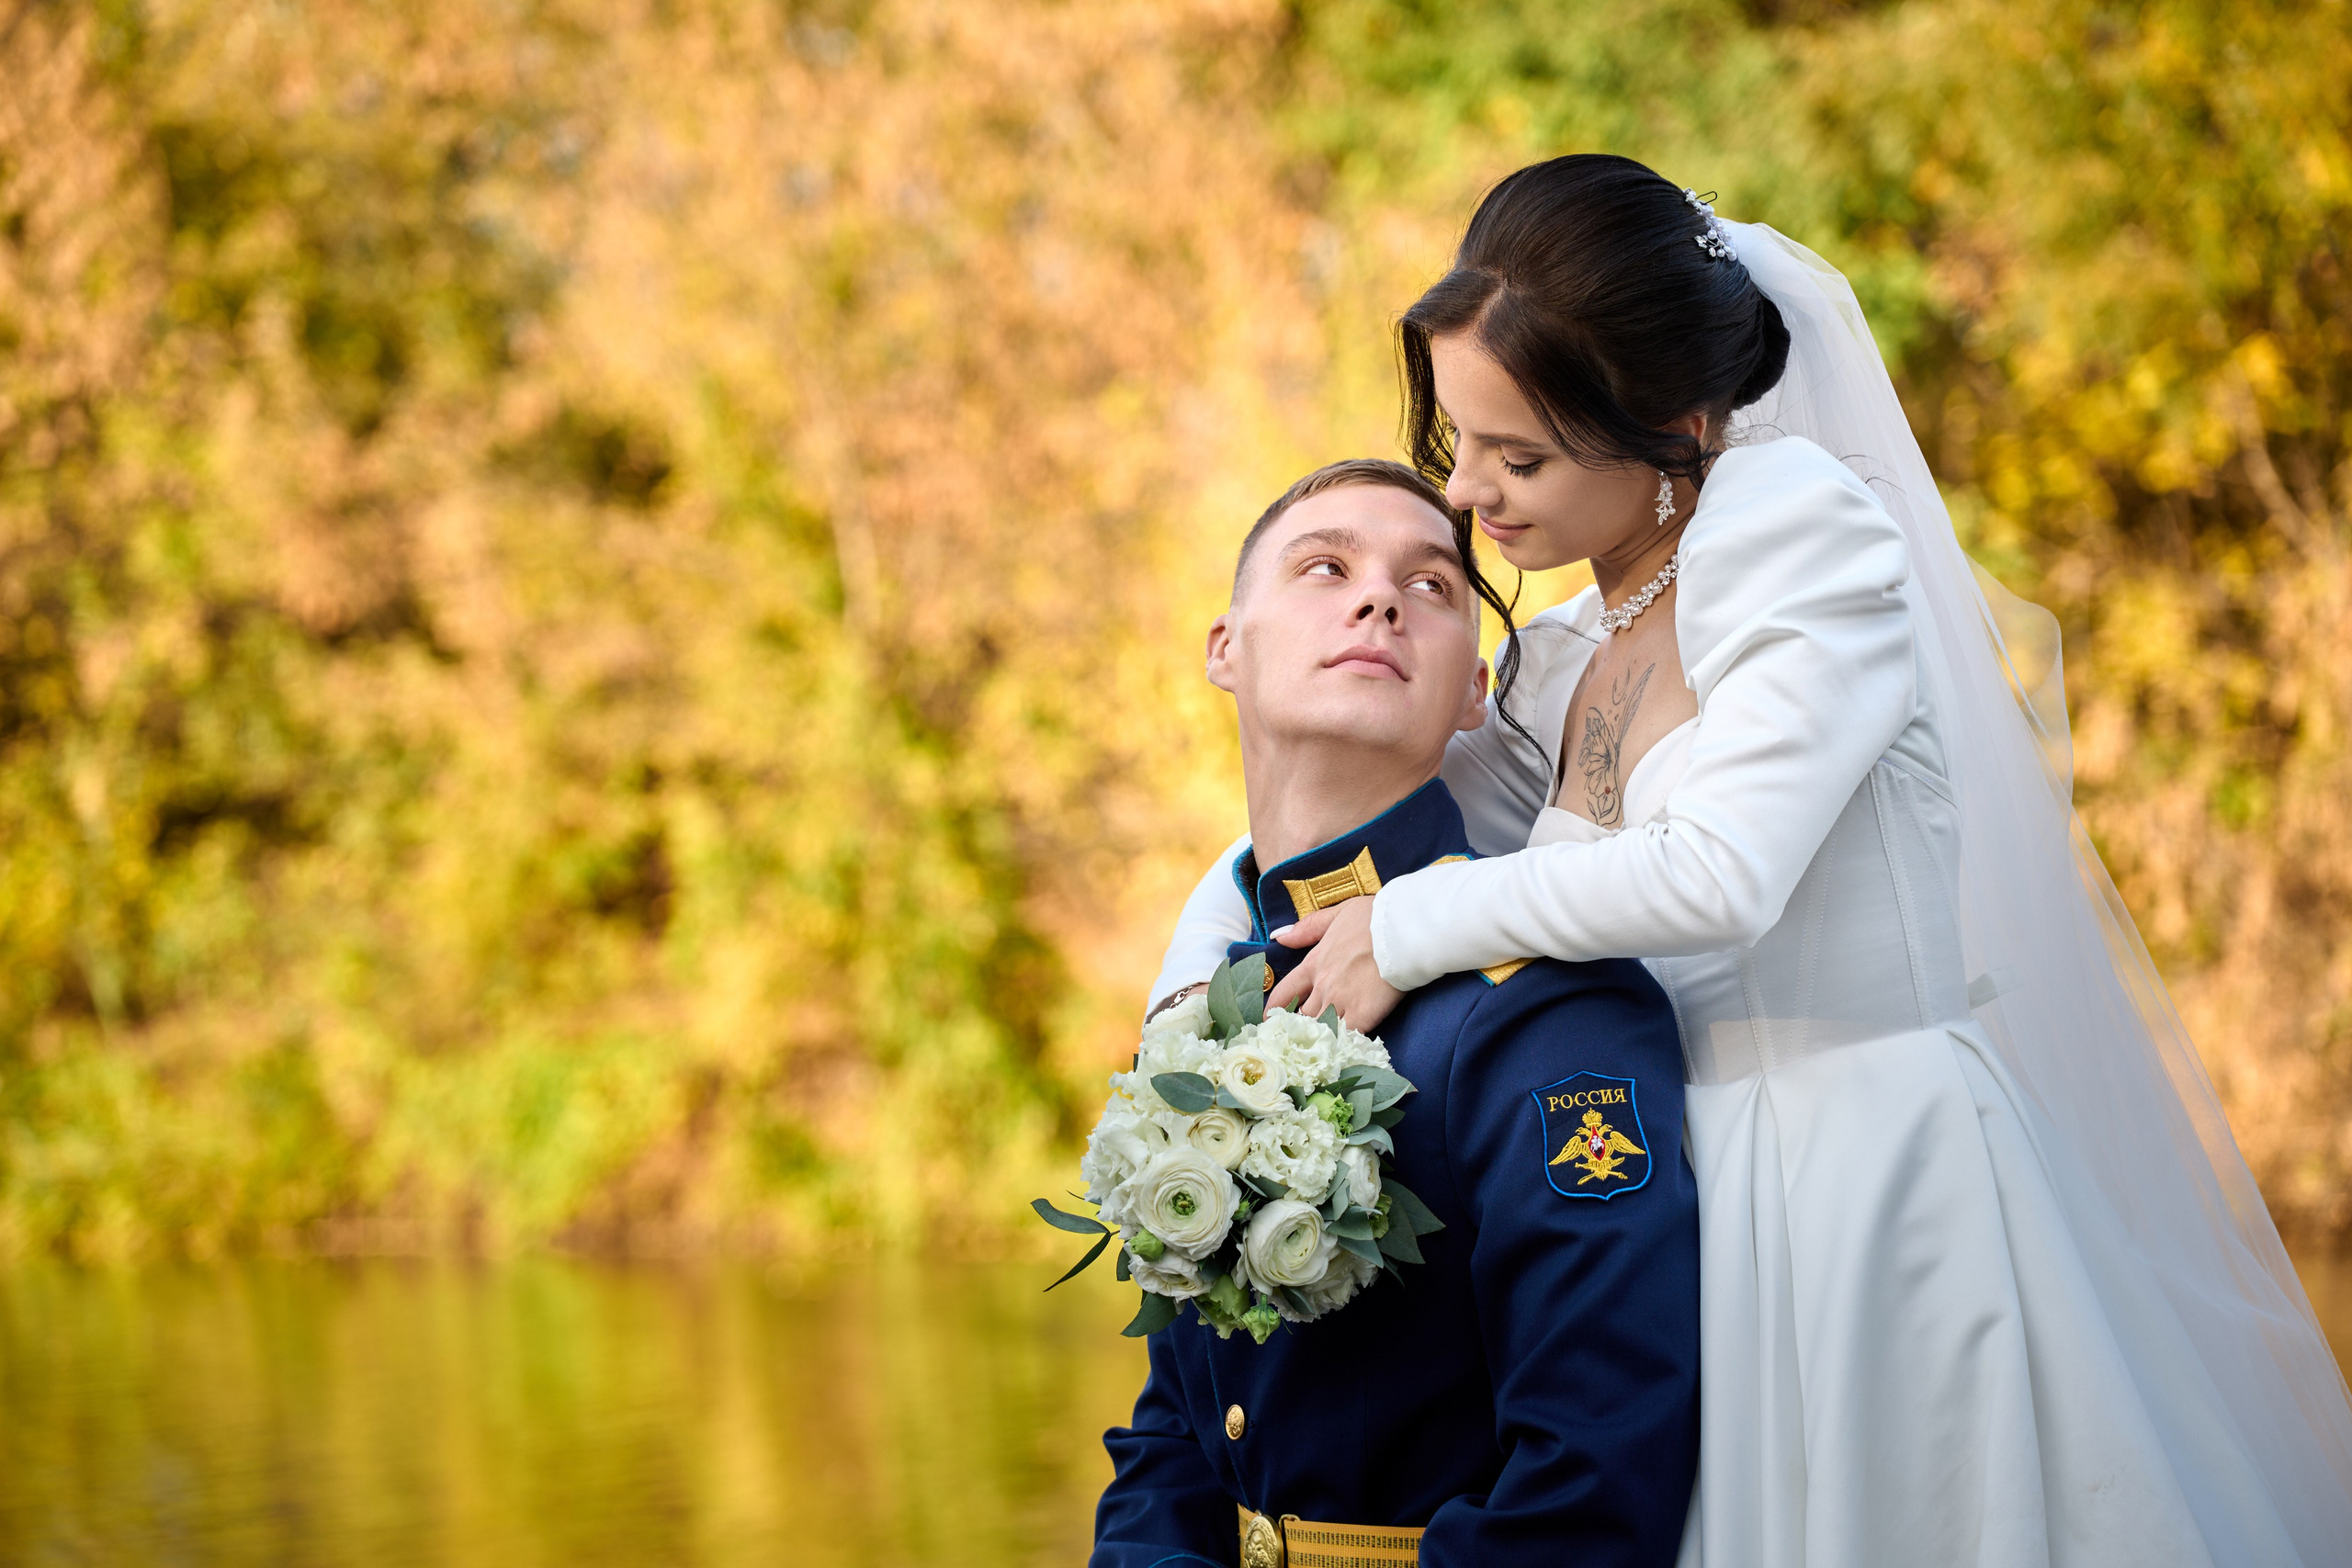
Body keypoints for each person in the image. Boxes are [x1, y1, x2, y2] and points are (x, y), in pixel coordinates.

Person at [1150, 156, 2352, 1567]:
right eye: (1458, 441)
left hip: (1865, 1174)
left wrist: (1409, 926)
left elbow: (1721, 868)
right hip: (1685, 1203)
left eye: (1516, 458)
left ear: (1673, 428)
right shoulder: (1559, 657)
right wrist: (1212, 946)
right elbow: (1368, 805)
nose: (1468, 496)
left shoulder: (1797, 527)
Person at [1092, 458, 1700, 1568]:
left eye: (1430, 585)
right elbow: (1170, 1440)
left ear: (1473, 693)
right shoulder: (1205, 1007)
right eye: (1325, 566)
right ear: (1225, 646)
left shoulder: (1548, 1006)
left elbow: (1591, 1480)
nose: (1378, 596)